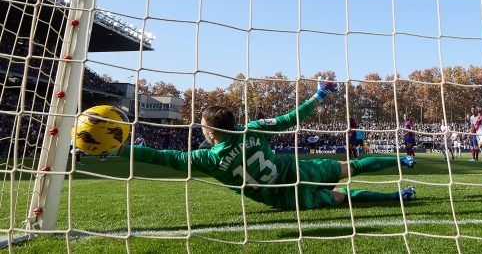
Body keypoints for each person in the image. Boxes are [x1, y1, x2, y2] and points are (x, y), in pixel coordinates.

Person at [116, 76, 416, 210]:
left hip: (283, 199)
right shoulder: (253, 129)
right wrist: (319, 95)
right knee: (350, 168)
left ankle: (396, 197)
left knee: (342, 197)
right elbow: (290, 119)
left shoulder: (205, 159)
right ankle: (403, 161)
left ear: (209, 134)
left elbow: (159, 156)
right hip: (295, 172)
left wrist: (119, 148)